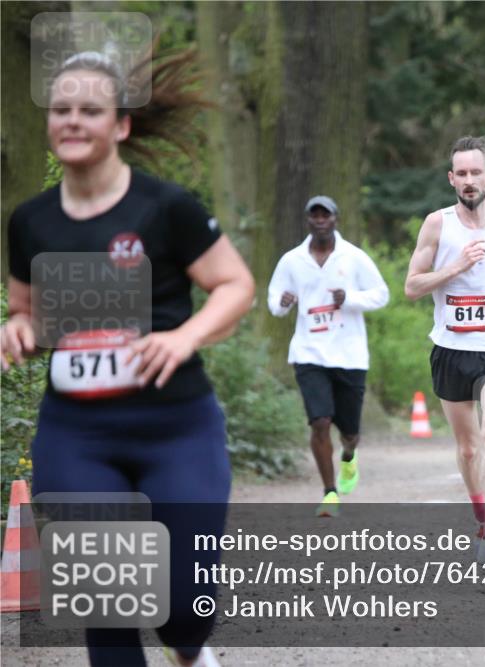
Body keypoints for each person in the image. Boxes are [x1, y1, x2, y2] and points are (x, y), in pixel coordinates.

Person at [1, 49, 255, 667]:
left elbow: (235, 286)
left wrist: (183, 337)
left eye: (90, 109)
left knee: (183, 609)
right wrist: (19, 330)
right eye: (61, 109)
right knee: (108, 609)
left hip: (176, 427)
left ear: (120, 126)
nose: (72, 120)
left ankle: (190, 651)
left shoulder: (166, 208)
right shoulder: (30, 222)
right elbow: (27, 313)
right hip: (77, 434)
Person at [404, 136, 485, 568]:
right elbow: (411, 287)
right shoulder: (437, 225)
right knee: (467, 449)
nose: (469, 180)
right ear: (451, 179)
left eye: (475, 172)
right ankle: (481, 516)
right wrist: (456, 267)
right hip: (451, 349)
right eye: (461, 173)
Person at [267, 195, 389, 516]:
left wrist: (349, 298)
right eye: (314, 216)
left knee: (349, 432)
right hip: (308, 352)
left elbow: (381, 294)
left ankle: (349, 456)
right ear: (308, 221)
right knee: (319, 422)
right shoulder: (292, 261)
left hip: (349, 354)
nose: (320, 221)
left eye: (326, 215)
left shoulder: (354, 257)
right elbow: (274, 303)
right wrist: (284, 301)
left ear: (335, 219)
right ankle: (329, 493)